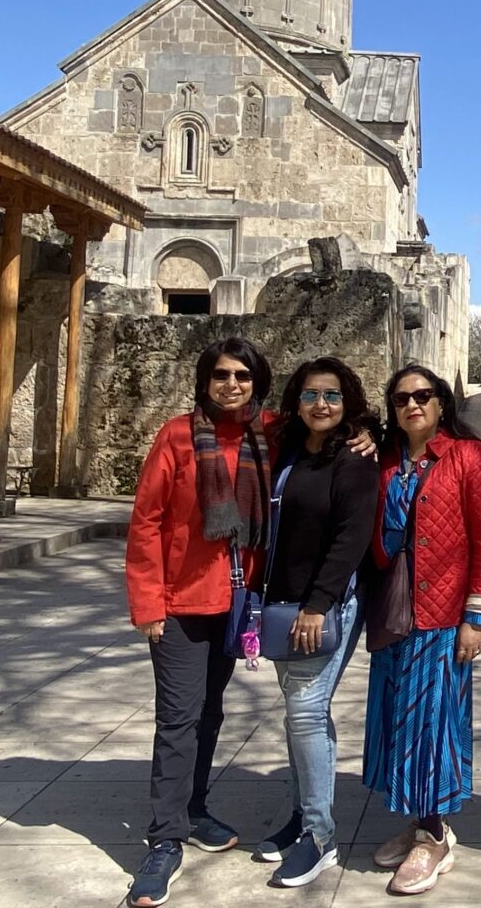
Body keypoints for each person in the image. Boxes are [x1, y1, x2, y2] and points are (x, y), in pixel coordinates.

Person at [123, 338, 276, 908]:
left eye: (242, 376)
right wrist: (148, 603)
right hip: (181, 604)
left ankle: (193, 808)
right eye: (221, 375)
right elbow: (146, 521)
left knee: (210, 712)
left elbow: (328, 417)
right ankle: (164, 839)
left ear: (257, 383)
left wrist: (362, 433)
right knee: (178, 718)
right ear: (204, 381)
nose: (231, 385)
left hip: (235, 604)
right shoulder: (178, 436)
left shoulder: (268, 434)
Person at [363, 363, 481, 896]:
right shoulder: (385, 458)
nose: (413, 405)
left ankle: (435, 837)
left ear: (442, 403)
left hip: (443, 614)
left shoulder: (467, 456)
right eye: (401, 399)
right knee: (397, 722)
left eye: (423, 396)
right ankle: (419, 821)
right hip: (393, 611)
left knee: (432, 725)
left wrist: (477, 617)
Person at [251, 357, 378, 888]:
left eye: (331, 395)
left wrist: (318, 604)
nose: (320, 404)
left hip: (324, 605)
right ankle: (304, 814)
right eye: (309, 395)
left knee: (305, 712)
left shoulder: (354, 459)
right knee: (297, 714)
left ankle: (320, 836)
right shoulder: (286, 447)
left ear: (347, 402)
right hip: (282, 603)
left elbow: (352, 537)